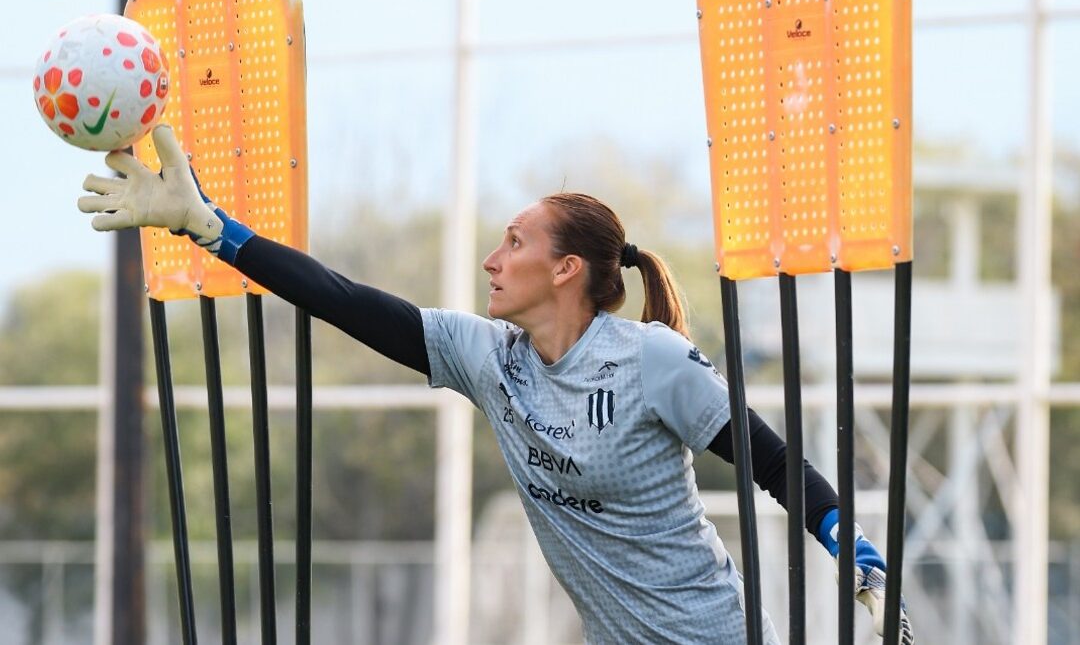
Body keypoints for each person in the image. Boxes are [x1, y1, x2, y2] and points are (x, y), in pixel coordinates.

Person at [79, 126, 914, 644]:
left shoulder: (651, 360)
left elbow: (770, 460)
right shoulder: (490, 357)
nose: (492, 257)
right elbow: (343, 299)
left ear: (566, 268)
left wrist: (857, 554)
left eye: (514, 241)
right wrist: (208, 228)